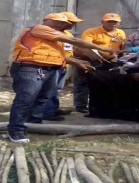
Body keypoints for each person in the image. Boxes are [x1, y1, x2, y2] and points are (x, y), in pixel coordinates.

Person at [8, 13, 115, 143]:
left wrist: (78, 62)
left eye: (62, 23)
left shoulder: (56, 36)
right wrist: (101, 48)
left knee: (42, 98)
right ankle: (15, 130)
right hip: (31, 68)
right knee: (26, 99)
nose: (60, 24)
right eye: (56, 22)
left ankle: (33, 124)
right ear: (46, 20)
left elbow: (60, 55)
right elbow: (75, 41)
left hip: (51, 69)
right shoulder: (39, 29)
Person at [73, 13, 126, 113]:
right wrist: (104, 52)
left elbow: (121, 47)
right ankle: (81, 105)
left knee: (103, 83)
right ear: (103, 22)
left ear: (119, 23)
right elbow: (87, 46)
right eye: (109, 21)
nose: (112, 24)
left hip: (108, 61)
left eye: (115, 22)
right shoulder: (91, 32)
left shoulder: (121, 33)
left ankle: (100, 104)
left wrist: (120, 59)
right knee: (83, 82)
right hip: (88, 60)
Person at [42, 12, 84, 121]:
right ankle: (47, 113)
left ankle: (53, 108)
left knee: (57, 89)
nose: (73, 25)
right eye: (72, 22)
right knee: (49, 89)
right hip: (53, 65)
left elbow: (71, 49)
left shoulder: (67, 34)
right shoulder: (51, 34)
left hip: (63, 65)